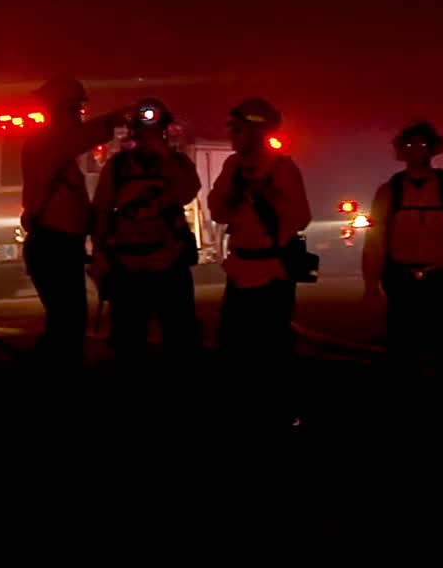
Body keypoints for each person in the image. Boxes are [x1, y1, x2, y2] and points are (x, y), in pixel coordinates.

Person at [362, 120, 443, 382]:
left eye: (422, 143)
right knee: (402, 350)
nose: (416, 149)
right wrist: (371, 284)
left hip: (442, 280)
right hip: (401, 280)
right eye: (410, 144)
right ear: (401, 150)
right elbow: (375, 240)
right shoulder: (389, 191)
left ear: (432, 149)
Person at [208, 98, 312, 427]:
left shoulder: (283, 169)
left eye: (237, 130)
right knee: (234, 347)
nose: (232, 136)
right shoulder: (232, 167)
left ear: (254, 132)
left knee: (274, 349)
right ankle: (242, 409)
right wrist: (237, 190)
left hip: (272, 273)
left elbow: (301, 217)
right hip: (240, 269)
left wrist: (269, 196)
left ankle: (280, 411)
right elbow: (218, 211)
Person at [21, 76, 127, 367]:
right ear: (60, 109)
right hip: (53, 246)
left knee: (66, 321)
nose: (80, 115)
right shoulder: (46, 143)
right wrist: (117, 118)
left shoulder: (57, 153)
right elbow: (81, 137)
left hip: (59, 245)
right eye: (76, 109)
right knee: (67, 320)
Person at [90, 98, 203, 368]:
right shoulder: (117, 167)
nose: (149, 135)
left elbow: (187, 191)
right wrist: (99, 255)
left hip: (169, 262)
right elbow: (102, 211)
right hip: (128, 268)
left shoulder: (178, 164)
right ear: (134, 132)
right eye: (144, 130)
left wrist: (165, 157)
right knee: (128, 342)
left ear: (164, 131)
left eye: (155, 129)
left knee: (181, 338)